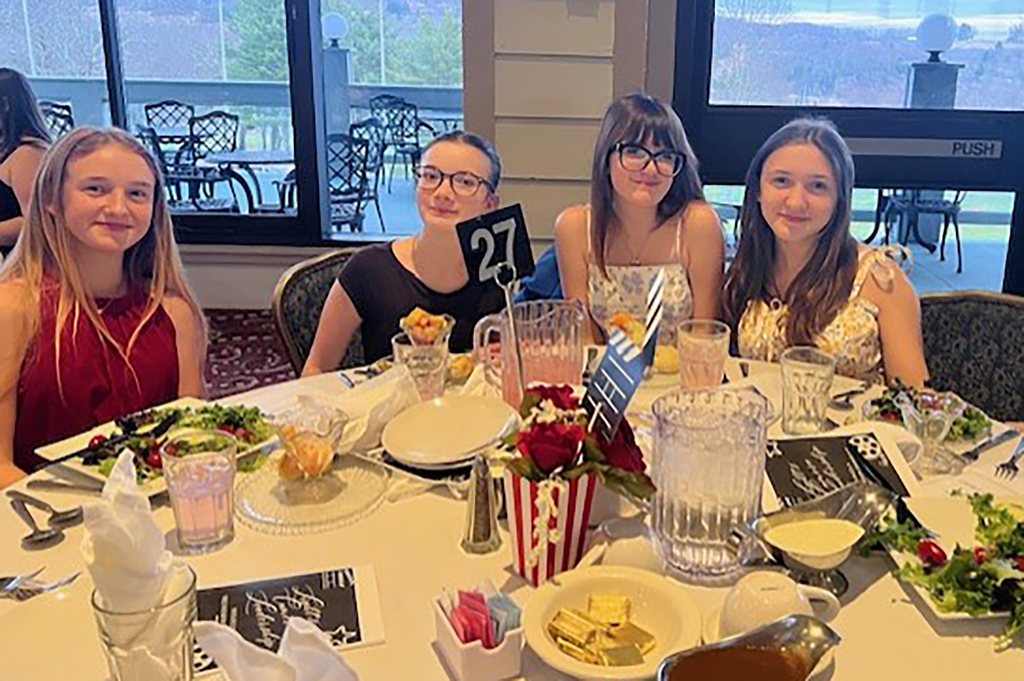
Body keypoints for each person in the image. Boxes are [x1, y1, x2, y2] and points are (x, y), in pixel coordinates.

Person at [0, 127, 206, 487]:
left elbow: (189, 441)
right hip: (45, 520)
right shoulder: (14, 308)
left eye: (137, 194)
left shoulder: (174, 313)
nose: (117, 208)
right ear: (51, 198)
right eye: (95, 189)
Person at [722, 118, 928, 386]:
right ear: (758, 190)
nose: (796, 201)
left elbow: (913, 399)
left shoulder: (881, 279)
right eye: (781, 181)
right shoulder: (746, 270)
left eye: (818, 186)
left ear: (839, 199)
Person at [303, 130, 506, 374]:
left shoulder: (500, 272)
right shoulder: (368, 269)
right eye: (431, 176)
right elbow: (316, 368)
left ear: (490, 205)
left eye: (465, 182)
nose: (442, 193)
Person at [554, 93, 724, 345]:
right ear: (606, 158)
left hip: (684, 376)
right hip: (606, 376)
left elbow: (704, 333)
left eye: (665, 155)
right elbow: (585, 335)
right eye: (634, 151)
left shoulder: (698, 224)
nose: (651, 168)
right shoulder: (574, 227)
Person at [0, 68, 50, 258]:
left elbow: (35, 222)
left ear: (5, 106)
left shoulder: (29, 155)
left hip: (20, 265)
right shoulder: (10, 148)